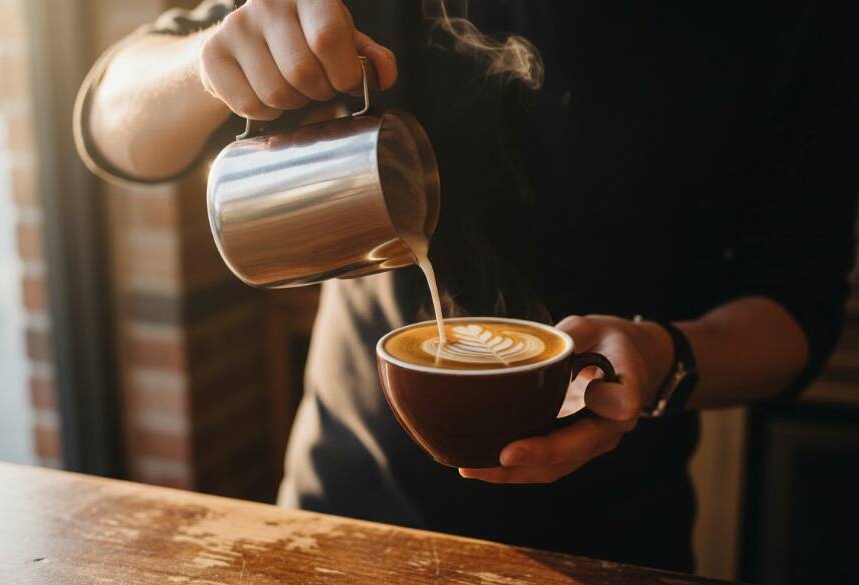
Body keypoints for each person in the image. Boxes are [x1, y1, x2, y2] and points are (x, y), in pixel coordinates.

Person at [75, 0, 857, 572]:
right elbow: (111, 123)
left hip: (612, 541)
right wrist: (208, 60)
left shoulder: (796, 22)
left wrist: (663, 357)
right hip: (348, 511)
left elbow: (798, 309)